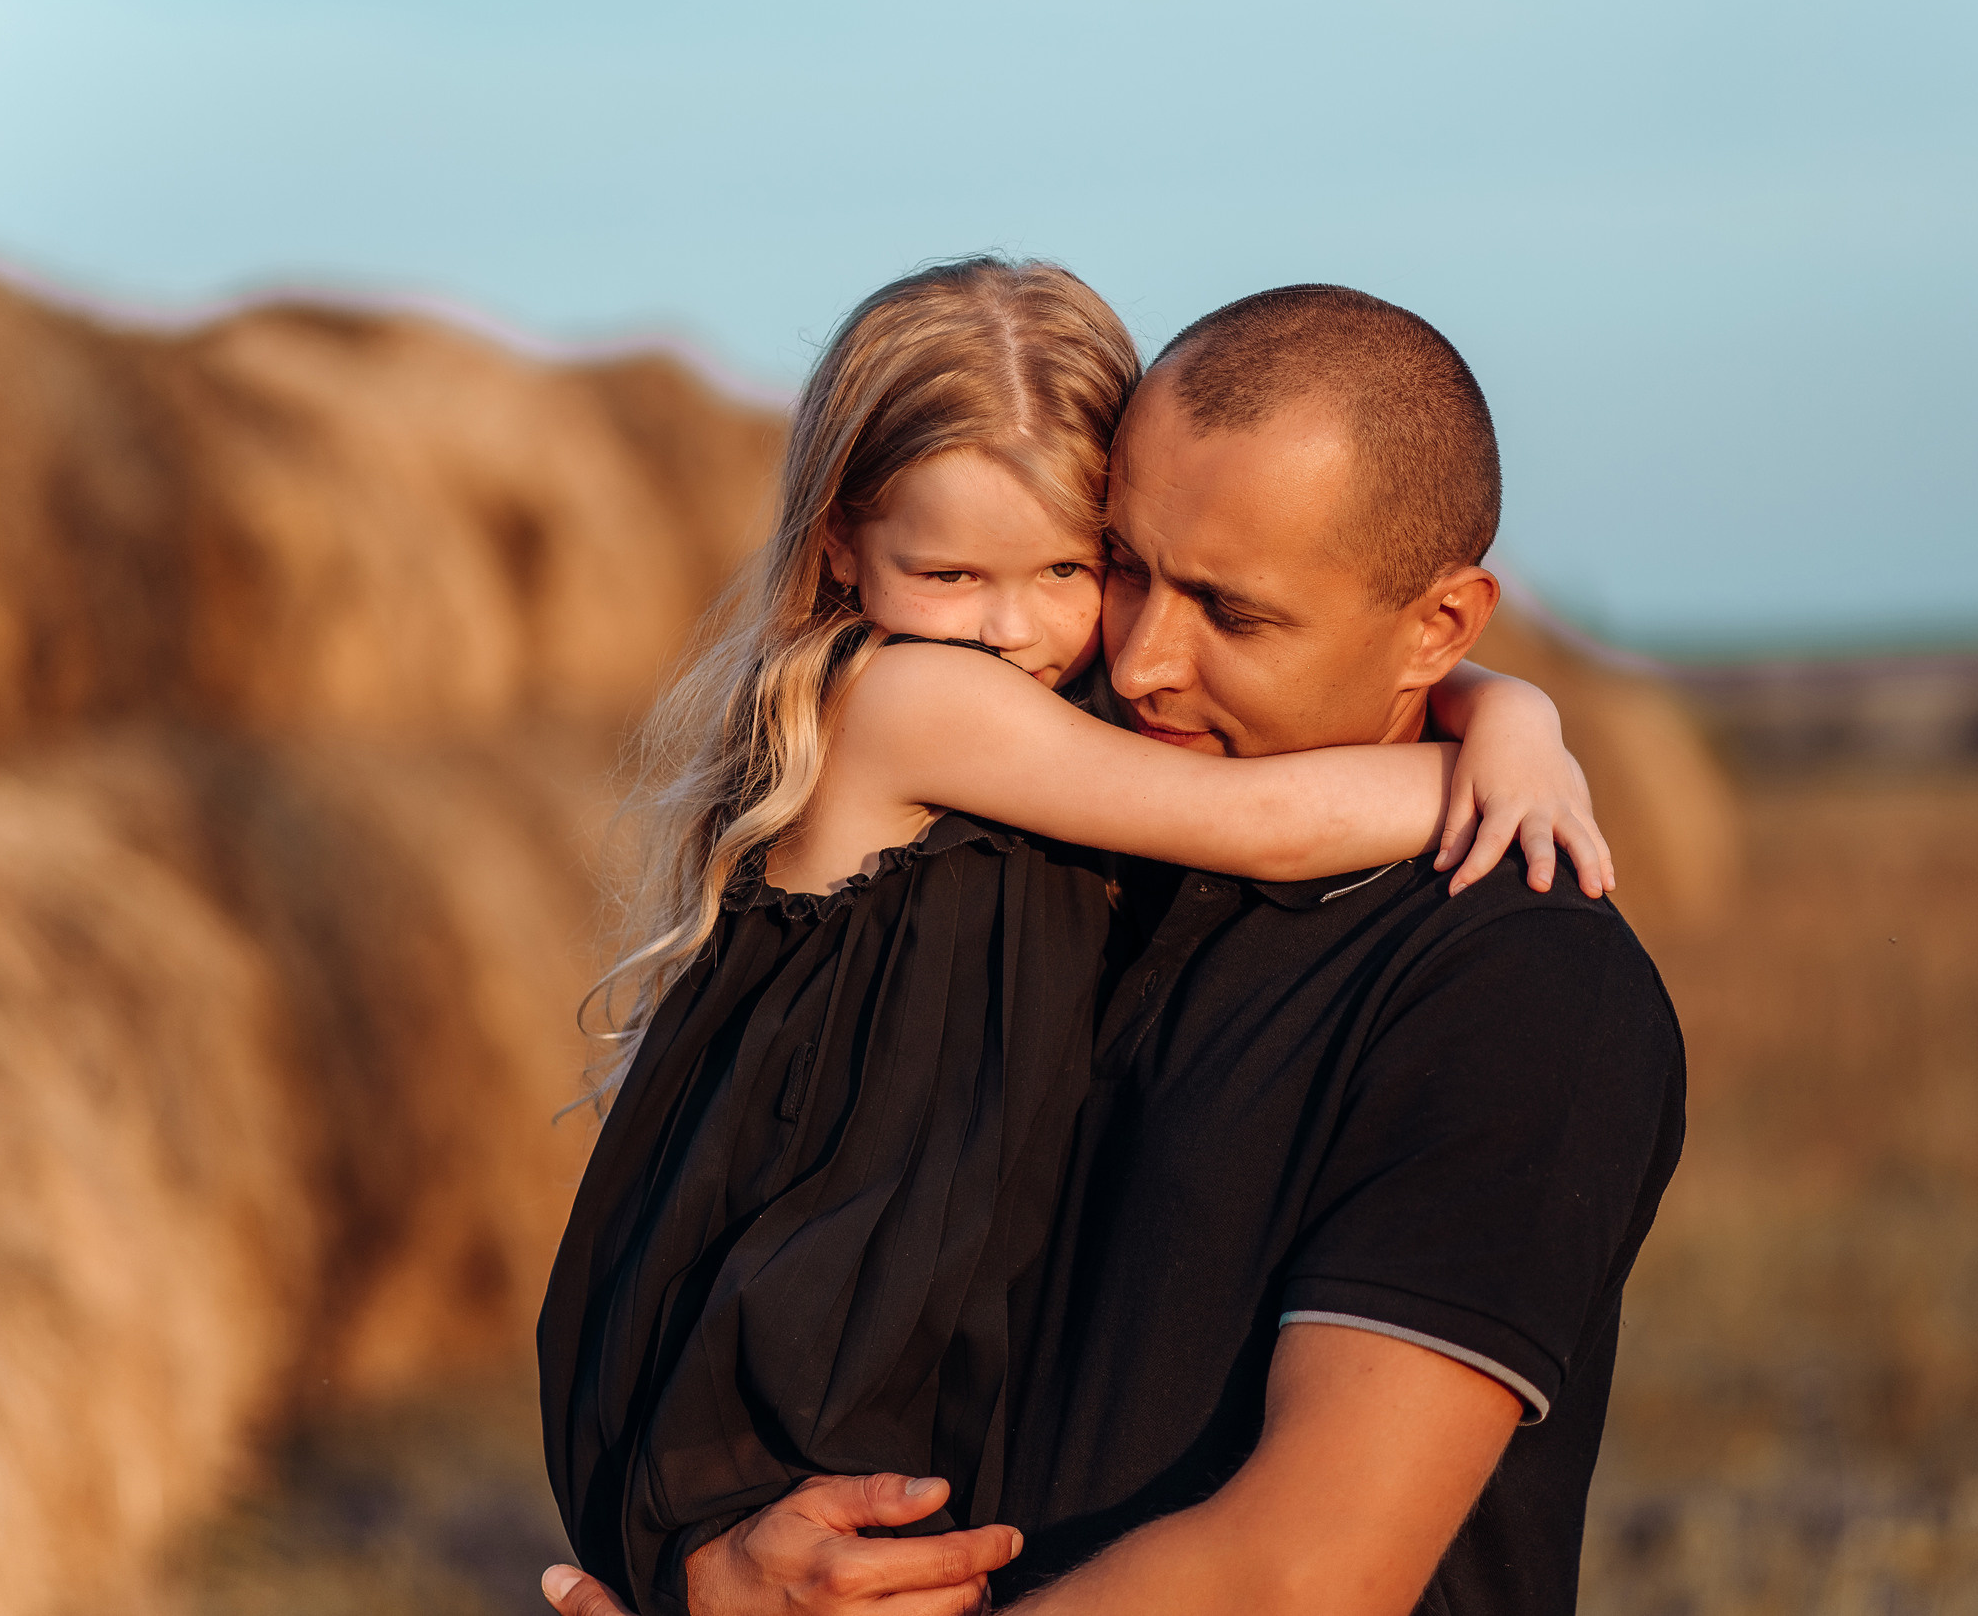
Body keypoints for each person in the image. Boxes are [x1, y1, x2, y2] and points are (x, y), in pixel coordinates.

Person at [537, 262, 1616, 1616]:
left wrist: (1501, 710)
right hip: (790, 1355)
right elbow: (1263, 820)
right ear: (840, 545)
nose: (1072, 637)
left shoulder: (1512, 985)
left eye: (1074, 566)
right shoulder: (932, 707)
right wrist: (1509, 740)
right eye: (1126, 571)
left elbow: (1312, 1570)